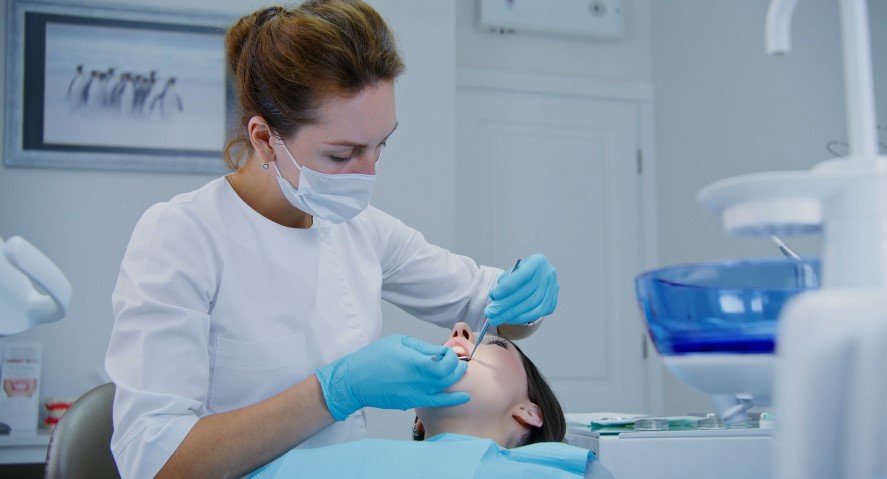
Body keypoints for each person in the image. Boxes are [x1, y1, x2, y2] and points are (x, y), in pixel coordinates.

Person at [104, 1, 560, 477]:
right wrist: (334, 392)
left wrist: (529, 300)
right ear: (263, 139)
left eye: (381, 144)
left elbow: (491, 312)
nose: (368, 173)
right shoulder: (181, 237)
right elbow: (153, 461)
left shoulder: (361, 230)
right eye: (343, 154)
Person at [249, 323, 614, 478]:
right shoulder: (303, 466)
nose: (459, 331)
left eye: (497, 342)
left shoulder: (554, 469)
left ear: (529, 412)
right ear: (418, 421)